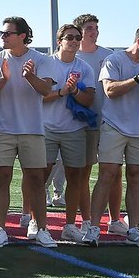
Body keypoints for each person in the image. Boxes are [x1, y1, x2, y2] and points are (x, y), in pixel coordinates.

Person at [82, 24, 139, 247]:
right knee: (107, 175)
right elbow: (110, 91)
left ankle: (133, 228)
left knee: (135, 177)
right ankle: (92, 228)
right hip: (113, 125)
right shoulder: (114, 60)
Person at [0, 16, 58, 248]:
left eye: (7, 33)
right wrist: (5, 79)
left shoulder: (41, 59)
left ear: (22, 36)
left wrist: (30, 76)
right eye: (1, 34)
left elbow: (46, 90)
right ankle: (1, 229)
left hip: (32, 129)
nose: (3, 37)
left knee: (36, 179)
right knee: (2, 177)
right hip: (1, 129)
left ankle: (42, 228)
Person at [40, 24, 96, 243]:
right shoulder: (46, 63)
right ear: (59, 40)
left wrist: (74, 91)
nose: (74, 41)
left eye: (77, 37)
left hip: (74, 128)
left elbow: (89, 100)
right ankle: (37, 221)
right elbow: (38, 97)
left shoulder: (85, 68)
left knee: (76, 177)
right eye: (69, 37)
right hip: (46, 126)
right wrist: (61, 92)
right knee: (40, 176)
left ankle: (70, 225)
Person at [73, 13, 124, 235]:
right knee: (83, 172)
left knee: (114, 172)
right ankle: (86, 219)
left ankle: (114, 219)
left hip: (108, 121)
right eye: (89, 28)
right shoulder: (72, 56)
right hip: (80, 122)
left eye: (96, 27)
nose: (94, 31)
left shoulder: (109, 56)